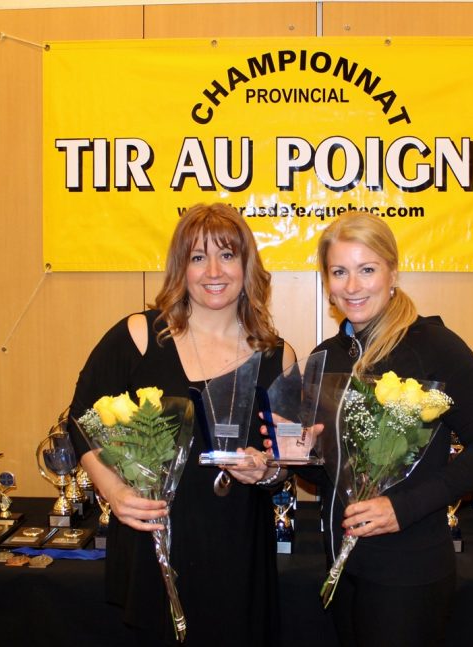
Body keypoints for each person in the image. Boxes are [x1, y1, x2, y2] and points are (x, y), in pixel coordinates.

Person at [68, 202, 293, 646]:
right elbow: (80, 421)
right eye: (197, 257)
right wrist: (115, 494)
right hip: (153, 547)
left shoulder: (278, 356)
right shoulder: (138, 335)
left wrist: (267, 469)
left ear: (247, 266)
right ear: (181, 268)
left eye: (227, 255)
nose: (214, 270)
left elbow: (287, 463)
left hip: (236, 553)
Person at [304, 211, 473, 646]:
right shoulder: (326, 356)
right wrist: (290, 454)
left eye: (367, 270)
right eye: (339, 272)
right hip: (340, 568)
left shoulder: (435, 347)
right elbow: (323, 471)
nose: (352, 286)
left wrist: (404, 508)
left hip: (409, 571)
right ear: (327, 280)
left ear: (392, 272)